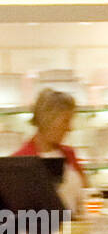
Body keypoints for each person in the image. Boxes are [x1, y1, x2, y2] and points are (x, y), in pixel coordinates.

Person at [15, 88, 86, 216]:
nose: (70, 128)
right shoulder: (20, 162)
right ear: (47, 119)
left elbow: (86, 195)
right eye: (65, 120)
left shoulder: (69, 154)